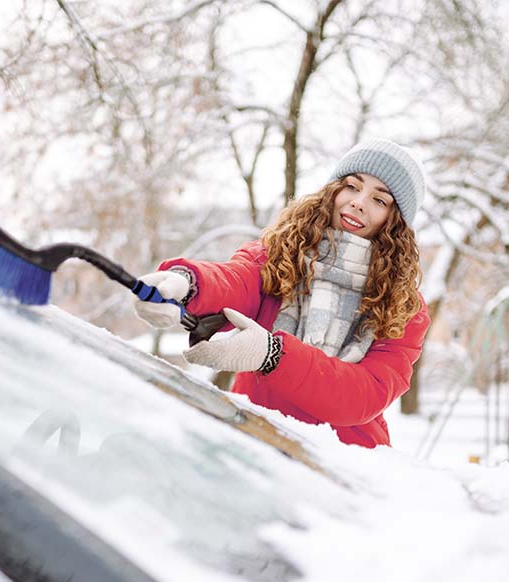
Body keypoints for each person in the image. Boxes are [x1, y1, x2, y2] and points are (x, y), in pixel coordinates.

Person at [133, 139, 430, 449]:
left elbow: (363, 396)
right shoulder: (281, 254)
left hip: (343, 462)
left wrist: (273, 355)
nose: (358, 202)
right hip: (255, 440)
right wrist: (186, 282)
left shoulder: (404, 307)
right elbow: (237, 282)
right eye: (352, 186)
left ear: (395, 222)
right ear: (333, 191)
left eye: (379, 200)